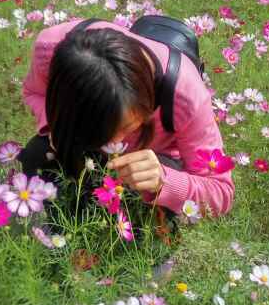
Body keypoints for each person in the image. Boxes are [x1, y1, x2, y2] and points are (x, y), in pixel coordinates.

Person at [17, 18, 235, 220]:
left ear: (147, 101)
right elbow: (35, 92)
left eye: (128, 127)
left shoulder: (186, 97)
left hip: (152, 161)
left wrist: (164, 181)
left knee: (139, 216)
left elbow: (221, 192)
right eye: (100, 132)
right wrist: (56, 126)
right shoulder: (50, 49)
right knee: (36, 156)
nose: (113, 144)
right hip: (82, 142)